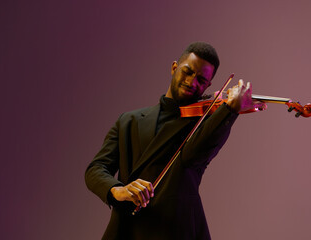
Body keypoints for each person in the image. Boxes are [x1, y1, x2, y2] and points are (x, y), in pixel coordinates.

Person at [85, 42, 255, 240]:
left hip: (177, 229)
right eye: (187, 72)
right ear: (174, 67)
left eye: (201, 80)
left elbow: (193, 156)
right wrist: (118, 190)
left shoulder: (205, 123)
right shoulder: (128, 121)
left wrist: (230, 110)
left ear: (208, 85)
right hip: (128, 228)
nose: (192, 83)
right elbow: (96, 168)